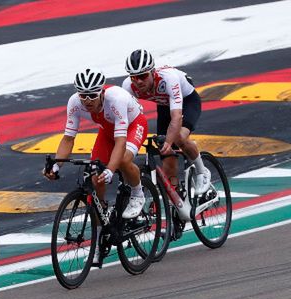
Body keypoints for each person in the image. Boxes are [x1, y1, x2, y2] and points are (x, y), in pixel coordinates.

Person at [43, 68, 149, 227]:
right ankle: (102, 217)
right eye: (83, 95)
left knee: (123, 160)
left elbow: (120, 142)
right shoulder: (74, 102)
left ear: (102, 92)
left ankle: (137, 194)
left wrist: (110, 169)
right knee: (95, 175)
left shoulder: (116, 99)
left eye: (92, 95)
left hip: (134, 125)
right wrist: (57, 165)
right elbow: (68, 139)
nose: (87, 101)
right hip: (107, 130)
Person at [121, 48, 213, 217]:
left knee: (179, 137)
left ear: (152, 72)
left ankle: (202, 171)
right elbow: (127, 118)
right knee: (167, 158)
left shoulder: (168, 79)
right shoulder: (128, 87)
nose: (138, 81)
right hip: (164, 105)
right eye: (134, 77)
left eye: (143, 76)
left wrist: (169, 141)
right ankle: (174, 200)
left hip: (187, 101)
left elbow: (176, 116)